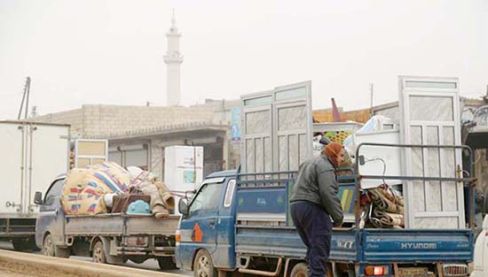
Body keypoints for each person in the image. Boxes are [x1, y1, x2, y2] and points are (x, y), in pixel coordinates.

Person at [290, 142, 345, 277]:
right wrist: (338, 218)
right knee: (320, 250)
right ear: (333, 154)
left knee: (313, 249)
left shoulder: (309, 162)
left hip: (296, 208)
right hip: (312, 208)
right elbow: (328, 193)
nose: (343, 159)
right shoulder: (325, 167)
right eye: (341, 156)